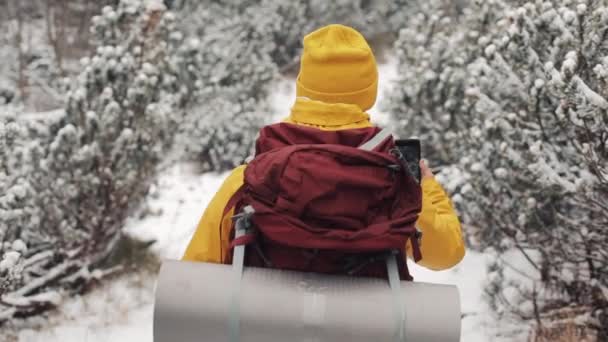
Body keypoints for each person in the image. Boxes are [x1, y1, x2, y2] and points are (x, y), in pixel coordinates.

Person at [182, 24, 465, 272]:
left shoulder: (250, 180)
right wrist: (425, 187)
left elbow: (195, 278)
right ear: (369, 91)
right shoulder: (393, 180)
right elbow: (446, 254)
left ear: (303, 86)